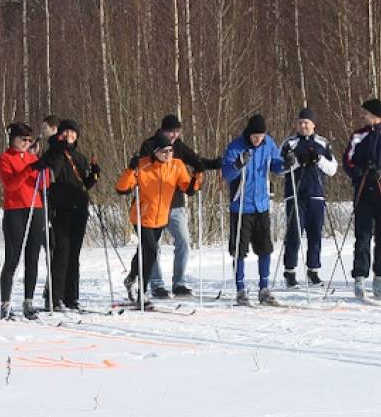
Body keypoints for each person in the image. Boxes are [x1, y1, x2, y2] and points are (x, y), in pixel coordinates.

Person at [129, 114, 222, 299]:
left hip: (175, 204)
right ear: (162, 130)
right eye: (171, 131)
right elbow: (146, 169)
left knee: (184, 242)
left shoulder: (179, 146)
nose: (174, 136)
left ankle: (178, 283)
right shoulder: (149, 145)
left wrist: (215, 164)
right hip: (153, 206)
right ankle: (156, 284)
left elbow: (197, 160)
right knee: (153, 247)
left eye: (177, 132)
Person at [116, 133, 199, 308]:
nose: (168, 154)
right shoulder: (143, 165)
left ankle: (131, 278)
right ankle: (142, 294)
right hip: (142, 216)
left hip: (161, 217)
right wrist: (131, 170)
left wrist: (197, 176)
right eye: (164, 152)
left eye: (170, 151)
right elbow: (122, 188)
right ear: (155, 152)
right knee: (152, 251)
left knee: (144, 252)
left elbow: (188, 188)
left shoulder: (176, 166)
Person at [221, 114, 291, 306]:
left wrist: (286, 163)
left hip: (261, 204)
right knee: (239, 250)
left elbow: (276, 165)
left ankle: (264, 288)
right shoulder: (236, 146)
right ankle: (241, 289)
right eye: (255, 136)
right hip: (241, 205)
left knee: (265, 248)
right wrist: (237, 164)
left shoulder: (268, 144)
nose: (258, 139)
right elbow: (226, 173)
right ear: (248, 134)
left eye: (261, 136)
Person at [31, 117, 100, 310]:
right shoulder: (53, 153)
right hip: (60, 209)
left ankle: (72, 297)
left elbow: (84, 184)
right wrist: (59, 151)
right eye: (66, 132)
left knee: (74, 254)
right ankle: (54, 297)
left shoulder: (80, 157)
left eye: (73, 132)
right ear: (60, 134)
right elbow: (52, 173)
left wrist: (94, 173)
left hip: (79, 209)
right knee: (62, 252)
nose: (70, 135)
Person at [341, 99, 381, 300]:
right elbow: (347, 161)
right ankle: (359, 277)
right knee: (362, 236)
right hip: (363, 189)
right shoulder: (358, 135)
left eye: (366, 113)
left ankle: (379, 277)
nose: (363, 116)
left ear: (376, 115)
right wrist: (359, 172)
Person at [279, 108, 338, 287]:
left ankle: (313, 270)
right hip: (295, 196)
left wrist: (318, 159)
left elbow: (332, 169)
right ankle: (289, 271)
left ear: (313, 124)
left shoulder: (323, 143)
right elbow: (280, 169)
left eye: (306, 122)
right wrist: (297, 162)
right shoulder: (289, 143)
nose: (303, 125)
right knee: (294, 235)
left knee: (315, 235)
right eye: (300, 122)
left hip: (316, 195)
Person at [0, 123, 46, 320]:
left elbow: (44, 184)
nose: (26, 143)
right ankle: (5, 304)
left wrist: (44, 168)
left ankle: (29, 302)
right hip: (15, 210)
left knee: (32, 257)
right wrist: (30, 168)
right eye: (22, 139)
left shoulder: (33, 158)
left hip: (35, 208)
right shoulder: (5, 158)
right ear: (13, 139)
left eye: (28, 140)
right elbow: (11, 185)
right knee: (12, 258)